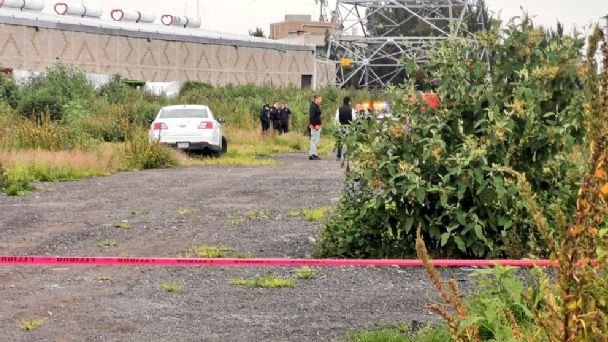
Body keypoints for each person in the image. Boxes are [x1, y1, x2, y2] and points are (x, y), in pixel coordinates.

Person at [334, 96, 356, 161]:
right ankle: (349, 155)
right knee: (349, 142)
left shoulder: (339, 109)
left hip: (341, 127)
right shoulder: (351, 109)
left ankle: (338, 156)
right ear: (349, 102)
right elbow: (354, 119)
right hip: (349, 127)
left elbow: (337, 119)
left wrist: (337, 127)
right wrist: (354, 127)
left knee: (340, 141)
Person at [308, 95, 323, 160]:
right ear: (316, 99)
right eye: (320, 99)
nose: (320, 101)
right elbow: (311, 117)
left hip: (317, 126)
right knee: (314, 141)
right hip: (315, 126)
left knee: (315, 141)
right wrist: (314, 125)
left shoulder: (316, 106)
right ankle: (312, 154)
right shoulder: (313, 107)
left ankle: (314, 154)